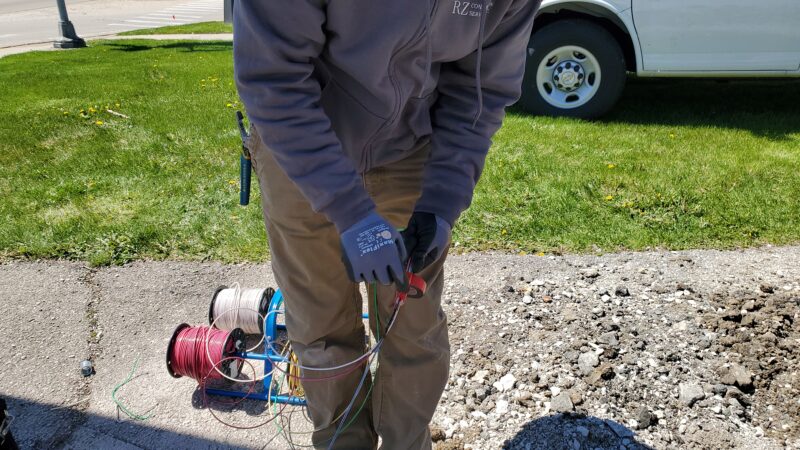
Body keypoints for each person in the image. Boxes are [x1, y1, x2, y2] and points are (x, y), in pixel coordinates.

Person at [233, 1, 539, 448]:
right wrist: (350, 211)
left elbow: (480, 92)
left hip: (410, 147)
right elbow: (273, 78)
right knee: (321, 327)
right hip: (299, 147)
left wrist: (440, 203)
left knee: (412, 328)